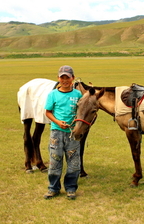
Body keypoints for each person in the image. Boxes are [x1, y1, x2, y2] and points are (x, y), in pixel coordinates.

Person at [43, 65, 82, 200]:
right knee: (55, 160)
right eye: (62, 77)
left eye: (68, 77)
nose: (65, 80)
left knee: (74, 162)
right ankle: (53, 188)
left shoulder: (77, 94)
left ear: (73, 78)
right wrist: (58, 122)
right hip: (56, 132)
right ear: (58, 78)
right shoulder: (53, 94)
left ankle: (71, 188)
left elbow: (81, 112)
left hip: (72, 133)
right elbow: (48, 112)